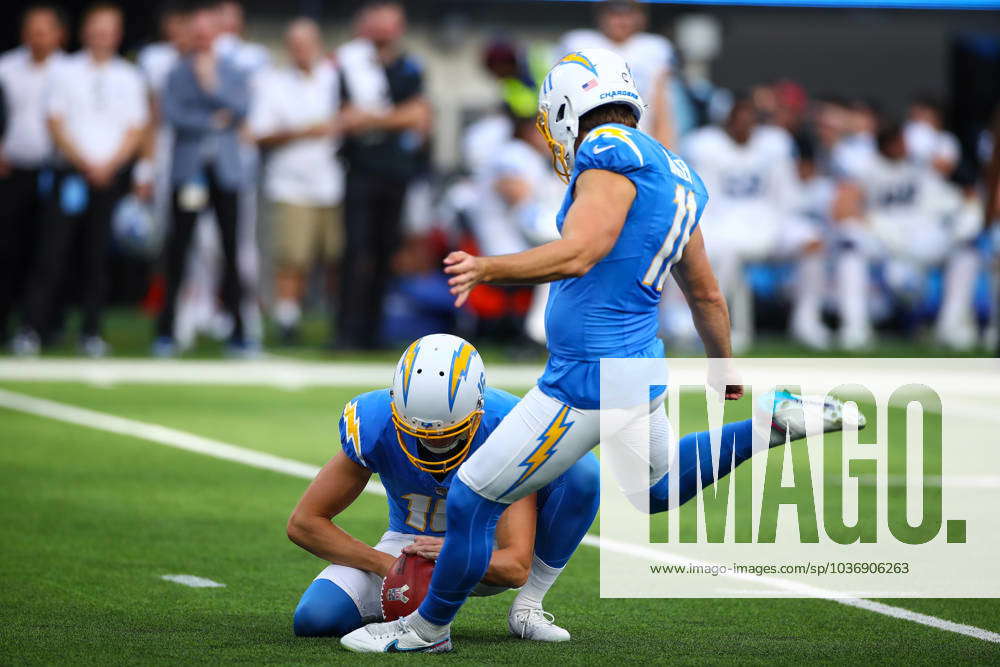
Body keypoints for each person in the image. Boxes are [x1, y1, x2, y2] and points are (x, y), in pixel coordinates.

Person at [340, 49, 863, 653]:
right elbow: (708, 295)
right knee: (657, 488)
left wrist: (490, 266)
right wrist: (723, 367)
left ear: (568, 109)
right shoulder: (676, 168)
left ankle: (426, 630)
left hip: (586, 374)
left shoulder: (606, 150)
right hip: (637, 361)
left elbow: (582, 251)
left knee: (473, 494)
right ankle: (769, 424)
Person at [288, 333, 598, 641]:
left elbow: (515, 566)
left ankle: (528, 607)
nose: (434, 444)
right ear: (396, 405)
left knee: (583, 472)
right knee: (316, 617)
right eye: (418, 433)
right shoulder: (375, 422)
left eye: (449, 434)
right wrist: (391, 567)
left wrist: (453, 555)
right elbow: (304, 523)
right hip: (407, 545)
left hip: (480, 548)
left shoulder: (506, 425)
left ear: (479, 408)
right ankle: (410, 606)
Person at [17, 3, 147, 358]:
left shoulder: (129, 76)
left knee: (97, 257)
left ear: (118, 34)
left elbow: (136, 129)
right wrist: (84, 161)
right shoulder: (65, 70)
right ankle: (33, 328)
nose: (102, 35)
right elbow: (55, 121)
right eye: (96, 28)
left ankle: (91, 331)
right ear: (85, 31)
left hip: (108, 177)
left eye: (109, 28)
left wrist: (109, 166)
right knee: (51, 254)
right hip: (70, 173)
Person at [154, 2, 250, 356]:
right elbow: (175, 116)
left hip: (225, 171)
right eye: (196, 32)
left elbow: (241, 109)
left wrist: (211, 86)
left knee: (230, 250)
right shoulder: (177, 72)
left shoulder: (231, 70)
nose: (202, 37)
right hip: (190, 170)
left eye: (207, 31)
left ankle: (239, 331)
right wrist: (213, 118)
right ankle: (165, 330)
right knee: (178, 250)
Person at [335, 1, 431, 349]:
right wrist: (396, 116)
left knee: (384, 251)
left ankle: (374, 331)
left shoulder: (408, 67)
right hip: (359, 170)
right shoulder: (350, 63)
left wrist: (373, 119)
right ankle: (346, 331)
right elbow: (345, 116)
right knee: (355, 251)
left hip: (396, 172)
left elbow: (419, 115)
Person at [682, 96, 803, 351]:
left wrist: (785, 228)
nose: (743, 126)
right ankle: (722, 327)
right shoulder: (706, 146)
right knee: (727, 251)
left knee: (818, 241)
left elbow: (786, 198)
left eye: (749, 120)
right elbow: (707, 201)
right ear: (726, 122)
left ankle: (807, 321)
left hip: (769, 223)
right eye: (738, 120)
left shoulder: (774, 145)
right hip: (724, 226)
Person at [250, 18, 343, 344]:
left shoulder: (334, 79)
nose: (302, 51)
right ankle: (288, 319)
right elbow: (258, 133)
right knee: (292, 257)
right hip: (291, 183)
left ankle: (337, 319)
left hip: (332, 181)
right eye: (296, 45)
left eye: (308, 43)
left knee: (335, 255)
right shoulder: (273, 83)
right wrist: (305, 131)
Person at [0, 4, 65, 349]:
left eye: (44, 30)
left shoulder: (69, 71)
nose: (37, 37)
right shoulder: (6, 67)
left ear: (58, 34)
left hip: (55, 172)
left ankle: (40, 325)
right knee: (9, 249)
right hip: (13, 170)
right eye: (32, 30)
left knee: (49, 253)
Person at [558, 0, 676, 148]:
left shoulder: (654, 49)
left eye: (628, 14)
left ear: (640, 16)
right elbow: (560, 98)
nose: (621, 21)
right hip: (587, 139)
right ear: (601, 15)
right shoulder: (577, 43)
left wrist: (665, 151)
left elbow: (662, 107)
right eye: (614, 14)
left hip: (638, 140)